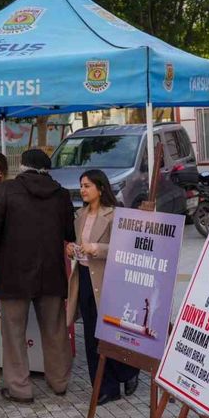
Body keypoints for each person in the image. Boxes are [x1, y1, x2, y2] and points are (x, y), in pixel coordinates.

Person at [0, 149, 75, 403]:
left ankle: (19, 388)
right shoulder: (61, 194)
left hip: (13, 272)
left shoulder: (5, 190)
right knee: (55, 330)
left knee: (13, 334)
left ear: (22, 166)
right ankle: (59, 382)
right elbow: (70, 231)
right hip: (51, 272)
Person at [65, 170, 139, 405]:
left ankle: (128, 371)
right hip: (85, 277)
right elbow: (80, 244)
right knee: (90, 334)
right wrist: (72, 249)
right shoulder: (80, 214)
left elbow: (124, 248)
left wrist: (98, 248)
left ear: (100, 188)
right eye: (81, 186)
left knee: (112, 332)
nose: (83, 190)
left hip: (108, 279)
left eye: (87, 185)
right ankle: (104, 385)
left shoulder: (115, 214)